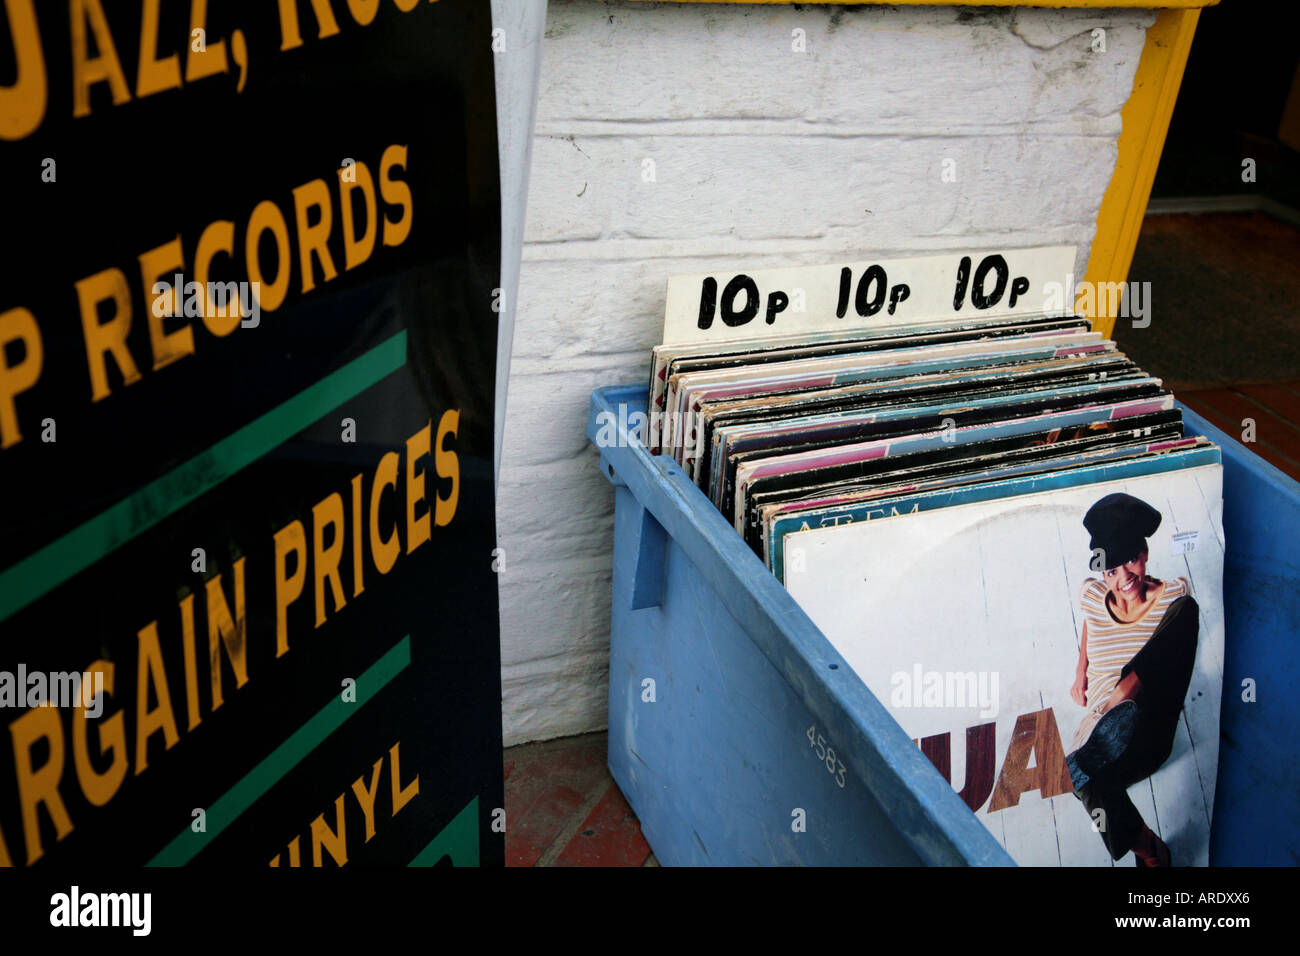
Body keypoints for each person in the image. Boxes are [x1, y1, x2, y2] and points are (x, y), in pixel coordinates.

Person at [1066, 492, 1199, 867]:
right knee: (1085, 779)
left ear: (1143, 554)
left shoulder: (1170, 595)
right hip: (1104, 731)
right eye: (1111, 571)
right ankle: (1152, 852)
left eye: (1130, 562)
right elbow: (1092, 623)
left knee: (1186, 611)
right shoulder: (1092, 596)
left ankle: (1125, 694)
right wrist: (1081, 671)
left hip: (1148, 723)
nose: (1124, 579)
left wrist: (1123, 691)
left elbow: (1174, 645)